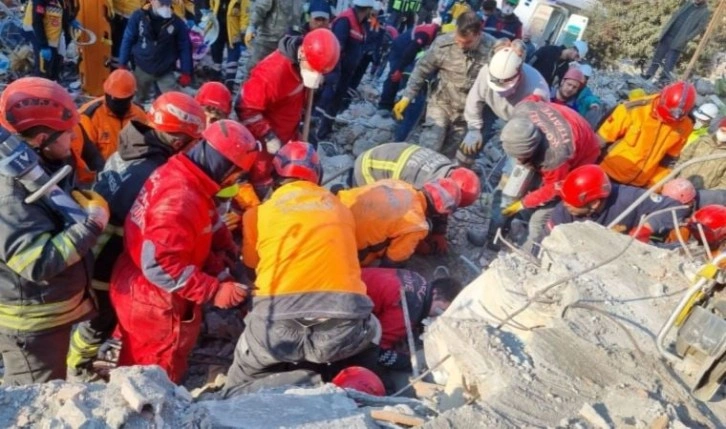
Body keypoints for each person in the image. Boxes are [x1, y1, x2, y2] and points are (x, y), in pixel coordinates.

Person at [66, 92, 206, 379]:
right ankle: (76, 369)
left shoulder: (128, 149)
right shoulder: (152, 171)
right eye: (192, 142)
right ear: (178, 141)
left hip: (94, 246)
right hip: (106, 257)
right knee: (98, 320)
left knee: (95, 316)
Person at [110, 120, 259, 383]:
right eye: (236, 173)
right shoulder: (179, 197)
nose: (235, 180)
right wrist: (213, 290)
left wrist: (224, 251)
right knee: (154, 377)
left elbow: (205, 221)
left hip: (143, 286)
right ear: (225, 165)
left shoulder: (185, 176)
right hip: (155, 300)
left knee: (142, 360)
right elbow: (159, 265)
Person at [224, 141, 378, 392]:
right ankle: (344, 385)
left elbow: (252, 266)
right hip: (343, 324)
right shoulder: (341, 208)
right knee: (373, 334)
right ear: (318, 176)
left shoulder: (258, 214)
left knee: (244, 373)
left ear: (275, 177)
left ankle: (229, 402)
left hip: (276, 327)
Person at [0, 77, 109, 385]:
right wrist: (91, 225)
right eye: (68, 132)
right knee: (33, 399)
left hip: (45, 316)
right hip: (31, 326)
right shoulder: (9, 191)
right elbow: (35, 261)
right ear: (43, 137)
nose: (74, 137)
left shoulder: (32, 164)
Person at [236, 28, 340, 185]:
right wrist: (268, 136)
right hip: (264, 142)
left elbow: (298, 95)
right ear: (303, 56)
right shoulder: (273, 74)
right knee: (260, 178)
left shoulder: (307, 63)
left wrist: (305, 118)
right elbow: (245, 107)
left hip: (289, 132)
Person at [499, 97, 601, 247]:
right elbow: (536, 97)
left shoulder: (556, 157)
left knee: (538, 219)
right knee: (512, 191)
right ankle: (498, 234)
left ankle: (529, 253)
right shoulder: (522, 110)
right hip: (564, 123)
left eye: (522, 157)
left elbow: (553, 188)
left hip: (580, 157)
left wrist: (524, 203)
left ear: (533, 149)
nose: (519, 162)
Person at [393, 11, 493, 159]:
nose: (460, 45)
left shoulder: (493, 49)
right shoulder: (443, 43)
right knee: (429, 148)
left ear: (478, 35)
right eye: (458, 40)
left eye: (466, 43)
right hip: (441, 104)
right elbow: (421, 70)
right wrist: (407, 96)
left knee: (444, 158)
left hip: (467, 115)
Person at [460, 43, 549, 167]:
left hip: (521, 121)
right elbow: (474, 99)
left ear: (518, 75)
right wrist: (474, 129)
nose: (500, 92)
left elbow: (532, 131)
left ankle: (503, 181)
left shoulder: (538, 90)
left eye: (504, 88)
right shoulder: (486, 71)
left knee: (515, 159)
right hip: (491, 107)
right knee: (469, 145)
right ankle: (461, 167)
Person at [337, 178, 461, 267]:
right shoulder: (417, 225)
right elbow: (392, 262)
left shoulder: (398, 183)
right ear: (439, 211)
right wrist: (415, 245)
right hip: (342, 247)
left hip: (332, 210)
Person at [549, 165, 688, 242]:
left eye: (570, 202)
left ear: (594, 203)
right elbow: (545, 241)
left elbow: (677, 207)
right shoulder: (562, 212)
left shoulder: (629, 198)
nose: (564, 204)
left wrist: (647, 228)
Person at [598, 81, 696, 188]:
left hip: (638, 186)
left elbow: (667, 162)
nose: (668, 121)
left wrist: (652, 188)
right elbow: (599, 140)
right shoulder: (633, 110)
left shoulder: (685, 126)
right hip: (607, 175)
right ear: (661, 99)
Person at [362, 268, 462, 371]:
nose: (436, 317)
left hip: (354, 281)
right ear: (435, 293)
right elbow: (378, 350)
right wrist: (410, 363)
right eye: (440, 310)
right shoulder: (409, 309)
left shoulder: (417, 278)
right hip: (349, 306)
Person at [70, 69, 147, 185]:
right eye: (114, 99)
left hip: (131, 175)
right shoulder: (89, 116)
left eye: (122, 100)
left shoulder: (139, 114)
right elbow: (87, 155)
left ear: (131, 97)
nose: (117, 103)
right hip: (97, 178)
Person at [315, 0, 375, 140]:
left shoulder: (362, 24)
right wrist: (334, 73)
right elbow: (335, 48)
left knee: (336, 101)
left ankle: (325, 130)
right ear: (367, 9)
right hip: (336, 70)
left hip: (347, 72)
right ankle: (314, 128)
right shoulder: (345, 20)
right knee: (325, 99)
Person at [353, 142, 482, 208]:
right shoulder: (424, 183)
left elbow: (443, 201)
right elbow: (413, 214)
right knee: (374, 211)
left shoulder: (447, 167)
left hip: (384, 155)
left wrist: (439, 231)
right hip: (369, 167)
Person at [118, 0, 193, 102]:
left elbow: (184, 47)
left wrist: (186, 72)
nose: (165, 6)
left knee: (174, 102)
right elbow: (128, 39)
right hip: (141, 68)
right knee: (135, 100)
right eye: (162, 3)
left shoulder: (177, 23)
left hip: (165, 71)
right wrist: (123, 63)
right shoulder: (138, 17)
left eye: (168, 3)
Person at [642, 0, 711, 81]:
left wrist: (687, 38)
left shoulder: (705, 12)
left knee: (670, 61)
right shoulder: (688, 3)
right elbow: (676, 15)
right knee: (658, 56)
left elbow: (700, 28)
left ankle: (663, 81)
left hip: (679, 39)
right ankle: (649, 74)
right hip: (669, 33)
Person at [378, 22, 439, 113]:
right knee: (394, 76)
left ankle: (396, 100)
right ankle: (384, 105)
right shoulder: (425, 34)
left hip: (408, 50)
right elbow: (411, 51)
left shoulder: (433, 30)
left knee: (403, 75)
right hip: (400, 49)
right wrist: (400, 69)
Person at [243, 0, 304, 75]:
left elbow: (302, 17)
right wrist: (252, 25)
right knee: (254, 69)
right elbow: (260, 8)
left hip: (288, 44)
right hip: (268, 39)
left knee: (281, 74)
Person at [200, 0, 249, 91]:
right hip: (217, 29)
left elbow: (245, 14)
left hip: (233, 31)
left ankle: (229, 84)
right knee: (216, 57)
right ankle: (214, 81)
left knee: (233, 60)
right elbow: (212, 6)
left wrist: (244, 30)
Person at [23, 0, 78, 81]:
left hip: (53, 37)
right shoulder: (39, 2)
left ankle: (53, 84)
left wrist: (70, 20)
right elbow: (37, 22)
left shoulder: (58, 1)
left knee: (55, 66)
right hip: (39, 36)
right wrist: (43, 45)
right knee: (44, 70)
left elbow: (62, 11)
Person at [676, 118, 726, 190]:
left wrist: (705, 195)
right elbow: (683, 158)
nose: (724, 134)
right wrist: (673, 178)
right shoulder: (702, 141)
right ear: (718, 128)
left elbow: (724, 185)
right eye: (723, 131)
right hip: (678, 184)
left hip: (701, 194)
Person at [572, 64, 603, 128]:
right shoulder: (570, 84)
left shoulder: (585, 92)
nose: (582, 79)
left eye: (585, 78)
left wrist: (594, 103)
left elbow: (590, 98)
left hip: (575, 122)